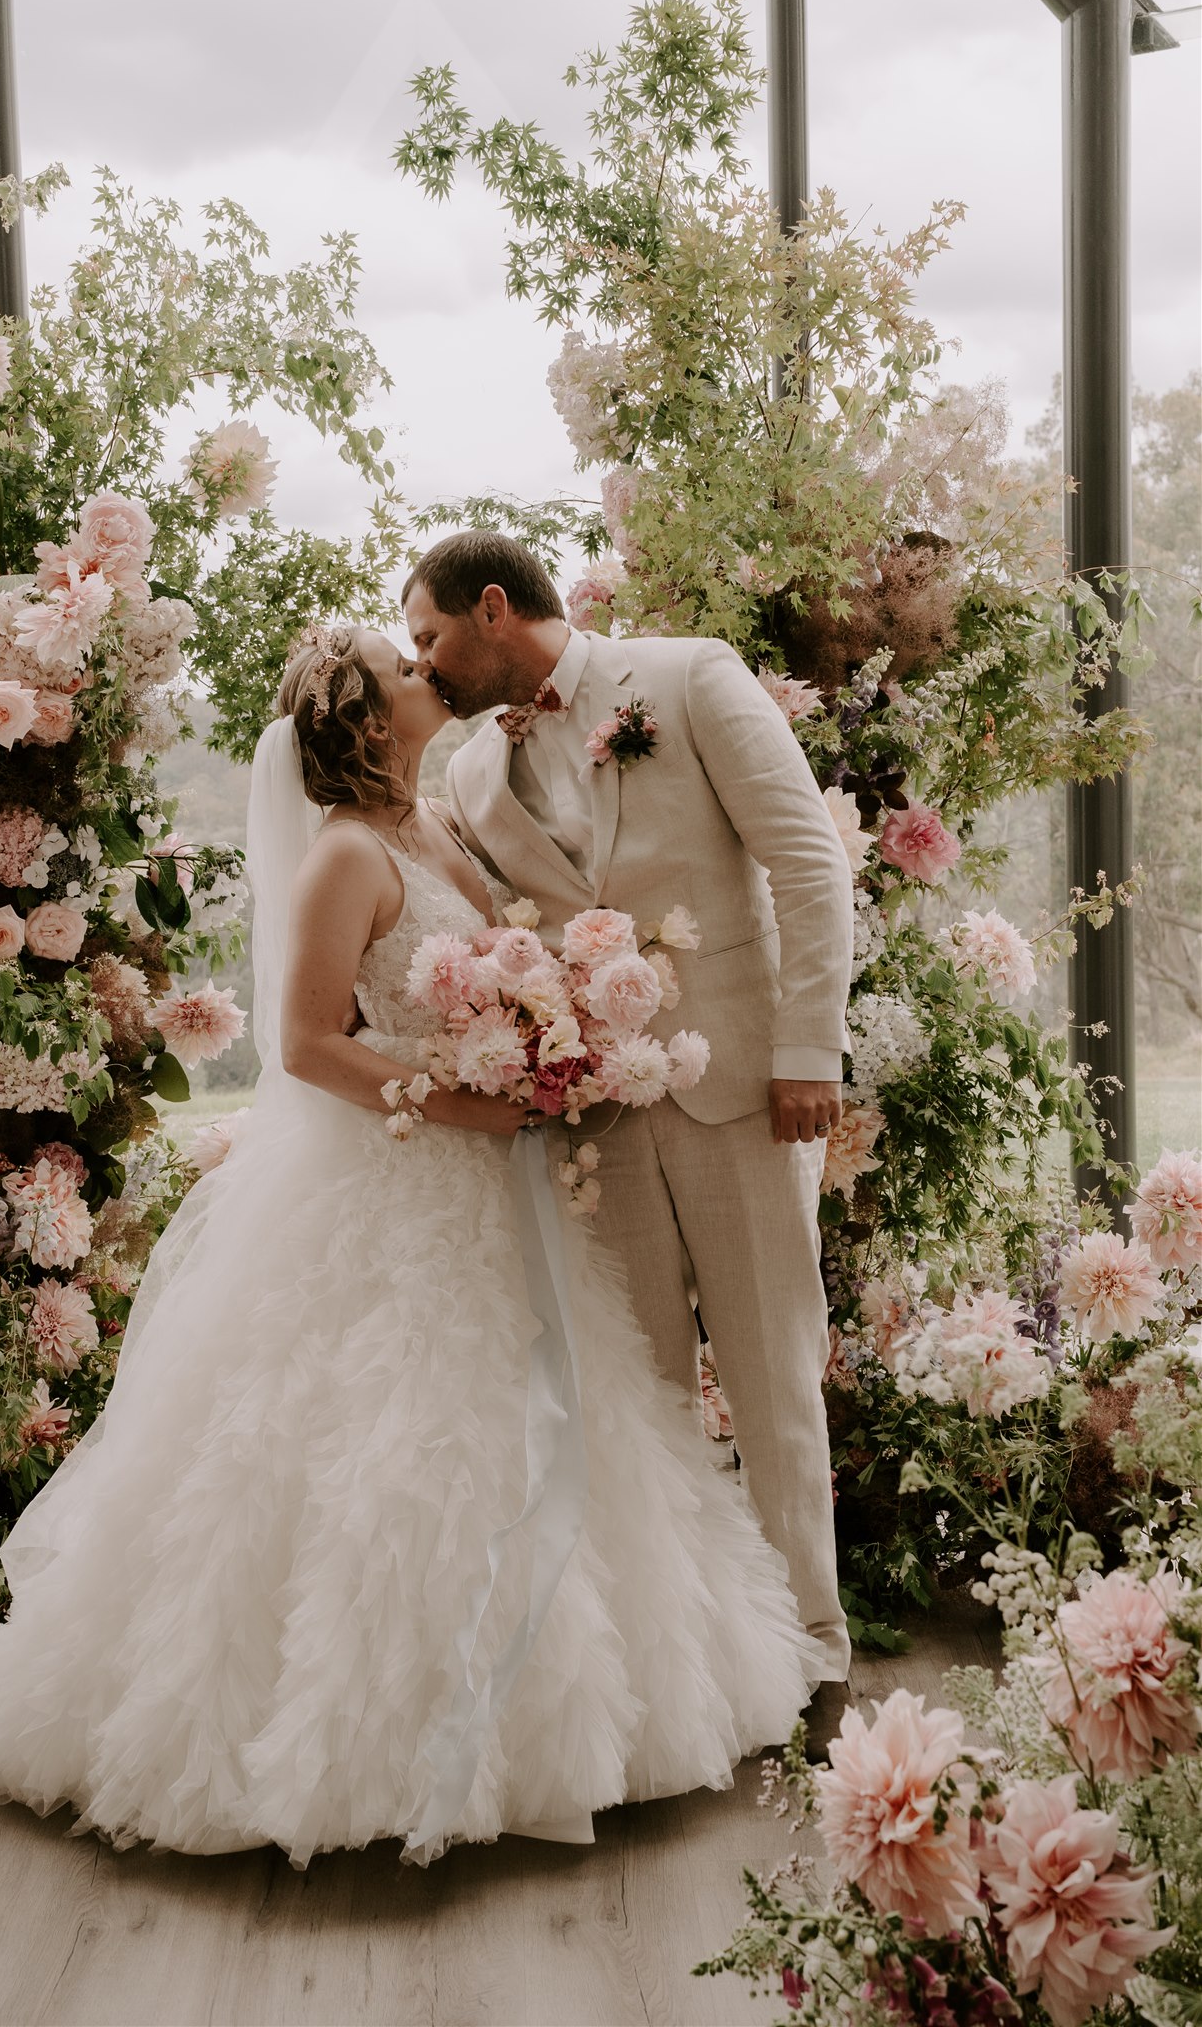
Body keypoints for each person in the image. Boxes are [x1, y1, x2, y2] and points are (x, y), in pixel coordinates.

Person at [0, 624, 823, 1866]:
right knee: (391, 1450)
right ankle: (379, 1745)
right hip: (405, 1180)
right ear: (364, 719)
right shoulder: (345, 856)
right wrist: (475, 1096)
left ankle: (577, 1710)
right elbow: (303, 1045)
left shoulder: (437, 828)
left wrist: (547, 1026)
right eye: (406, 670)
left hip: (497, 1176)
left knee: (547, 1427)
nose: (428, 672)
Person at [403, 533, 855, 1759]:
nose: (425, 665)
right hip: (590, 1117)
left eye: (433, 637)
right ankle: (706, 1668)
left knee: (772, 1375)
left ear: (494, 607)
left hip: (749, 1090)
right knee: (645, 1403)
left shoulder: (691, 676)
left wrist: (811, 1046)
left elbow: (808, 860)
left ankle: (812, 1657)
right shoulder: (467, 774)